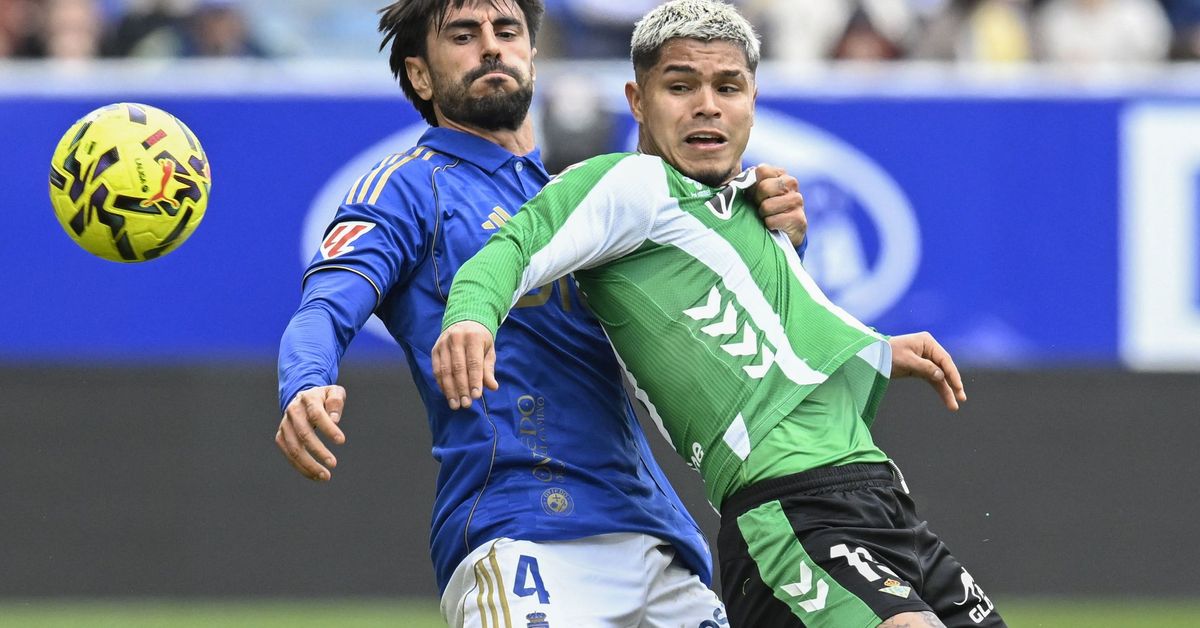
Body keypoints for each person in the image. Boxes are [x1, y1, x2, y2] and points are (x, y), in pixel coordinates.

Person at [432, 1, 1006, 626]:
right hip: (787, 513)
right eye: (681, 86)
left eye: (728, 87)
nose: (707, 105)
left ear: (753, 101)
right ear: (637, 100)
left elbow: (766, 332)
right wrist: (470, 317)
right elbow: (513, 246)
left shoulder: (748, 206)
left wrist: (875, 347)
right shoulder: (630, 186)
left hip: (880, 499)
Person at [274, 0, 807, 625]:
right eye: (463, 36)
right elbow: (324, 305)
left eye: (507, 31)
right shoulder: (408, 187)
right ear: (420, 75)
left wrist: (781, 242)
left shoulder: (587, 198)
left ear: (532, 53)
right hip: (524, 534)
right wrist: (305, 382)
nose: (491, 47)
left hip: (658, 543)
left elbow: (730, 330)